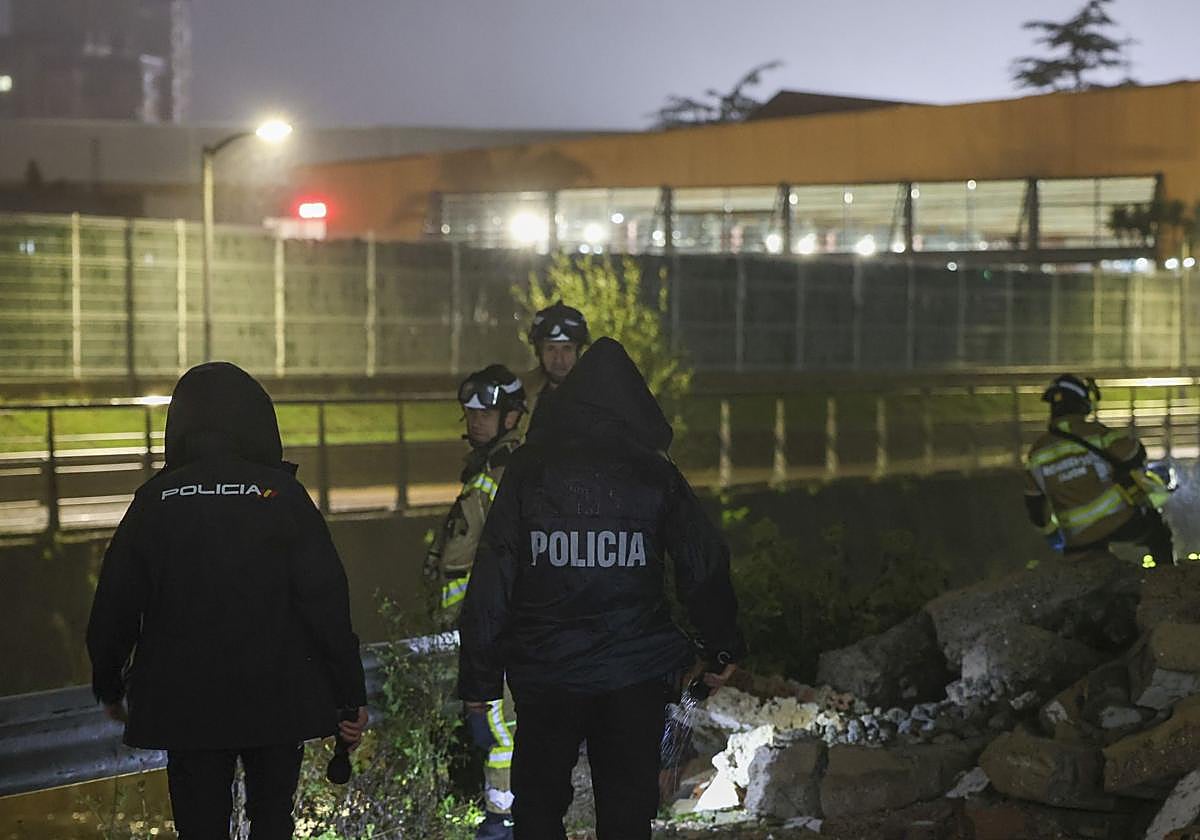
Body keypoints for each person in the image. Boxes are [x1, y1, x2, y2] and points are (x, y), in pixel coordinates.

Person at [457, 337, 744, 840]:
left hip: (545, 675)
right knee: (627, 812)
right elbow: (703, 561)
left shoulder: (528, 470)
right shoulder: (655, 473)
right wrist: (721, 645)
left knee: (539, 810)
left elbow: (493, 578)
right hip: (632, 677)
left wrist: (479, 682)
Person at [86, 362, 368, 839]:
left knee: (199, 828)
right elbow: (326, 605)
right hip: (277, 700)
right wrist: (348, 696)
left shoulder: (155, 500)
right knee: (273, 821)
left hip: (186, 704)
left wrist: (110, 684)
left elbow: (115, 600)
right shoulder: (283, 496)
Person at [424, 364, 526, 840]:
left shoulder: (503, 475)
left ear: (510, 418)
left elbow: (473, 563)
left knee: (498, 727)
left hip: (489, 629)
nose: (476, 420)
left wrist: (460, 626)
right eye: (470, 412)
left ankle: (501, 820)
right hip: (477, 627)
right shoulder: (491, 471)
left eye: (487, 412)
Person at [1024, 373, 1174, 566]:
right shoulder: (1094, 432)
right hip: (1118, 520)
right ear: (1080, 402)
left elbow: (1035, 509)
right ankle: (1167, 585)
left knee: (1087, 570)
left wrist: (1053, 535)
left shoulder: (1036, 453)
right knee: (1158, 533)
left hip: (1077, 538)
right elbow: (1134, 453)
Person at [522, 300, 589, 424]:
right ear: (538, 352)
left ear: (579, 352)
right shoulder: (520, 395)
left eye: (567, 349)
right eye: (550, 348)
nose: (558, 359)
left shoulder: (599, 397)